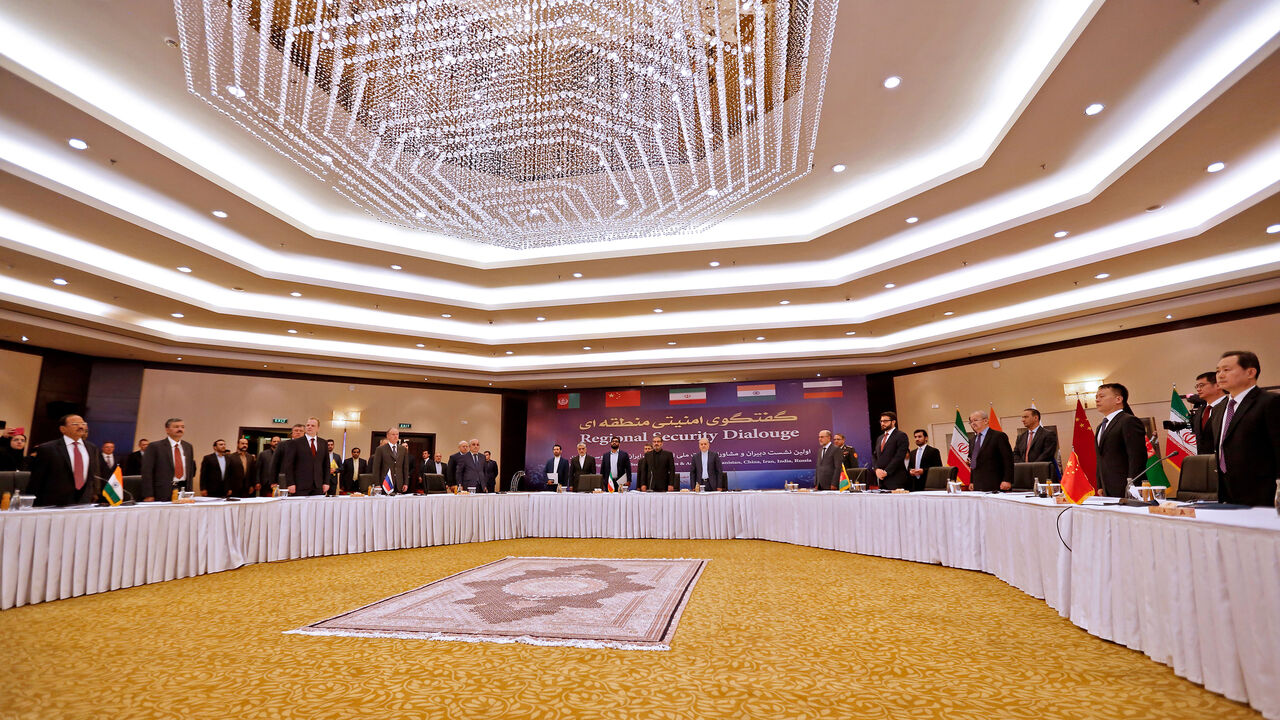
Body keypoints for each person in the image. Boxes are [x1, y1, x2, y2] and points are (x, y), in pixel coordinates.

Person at [1214, 350, 1280, 506]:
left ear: (1250, 372)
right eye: (1218, 371)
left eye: (1226, 370)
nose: (1220, 375)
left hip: (1263, 493)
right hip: (1226, 492)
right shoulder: (1219, 409)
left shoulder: (1270, 402)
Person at [27, 414, 103, 506]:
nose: (80, 427)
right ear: (63, 429)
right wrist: (31, 504)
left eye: (83, 424)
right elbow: (37, 480)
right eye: (75, 424)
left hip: (83, 502)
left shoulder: (92, 448)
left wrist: (94, 493)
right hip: (54, 503)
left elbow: (92, 474)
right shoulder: (47, 449)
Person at [1094, 383, 1147, 497]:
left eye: (1102, 396)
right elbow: (1101, 458)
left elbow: (1137, 456)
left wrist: (1133, 485)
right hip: (1107, 488)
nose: (1097, 400)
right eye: (1096, 397)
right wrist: (1100, 484)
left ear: (1118, 399)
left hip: (1127, 487)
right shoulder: (1100, 426)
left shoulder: (1129, 421)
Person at [141, 418, 196, 501]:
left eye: (182, 427)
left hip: (184, 490)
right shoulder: (155, 447)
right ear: (167, 430)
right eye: (176, 427)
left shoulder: (188, 446)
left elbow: (190, 470)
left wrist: (190, 490)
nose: (180, 429)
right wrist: (148, 494)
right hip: (162, 491)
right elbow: (147, 472)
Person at [276, 417, 329, 496]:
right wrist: (290, 483)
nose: (309, 427)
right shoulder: (295, 443)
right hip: (300, 485)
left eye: (312, 425)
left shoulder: (323, 443)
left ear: (318, 428)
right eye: (308, 425)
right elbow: (288, 465)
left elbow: (326, 465)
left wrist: (326, 482)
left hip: (318, 485)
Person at [967, 410, 1014, 492]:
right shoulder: (972, 440)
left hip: (996, 483)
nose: (973, 423)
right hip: (978, 484)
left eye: (975, 420)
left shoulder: (998, 436)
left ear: (985, 421)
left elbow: (1008, 460)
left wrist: (1007, 480)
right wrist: (972, 481)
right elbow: (973, 462)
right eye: (970, 422)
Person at [1191, 371, 1228, 455]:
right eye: (1197, 386)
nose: (1198, 389)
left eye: (1201, 385)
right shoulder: (1200, 411)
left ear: (1218, 385)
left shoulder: (1230, 407)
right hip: (1203, 461)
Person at [872, 412, 910, 490]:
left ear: (893, 422)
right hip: (882, 479)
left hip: (896, 478)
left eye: (885, 421)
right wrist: (876, 470)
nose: (882, 423)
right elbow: (875, 456)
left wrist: (886, 472)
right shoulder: (880, 438)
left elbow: (899, 456)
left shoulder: (901, 435)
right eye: (881, 421)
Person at [370, 428, 410, 494]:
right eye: (393, 434)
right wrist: (377, 484)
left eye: (397, 434)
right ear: (388, 436)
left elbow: (405, 467)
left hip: (399, 483)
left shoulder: (403, 449)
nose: (395, 436)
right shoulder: (380, 449)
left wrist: (406, 483)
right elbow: (376, 468)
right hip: (385, 483)